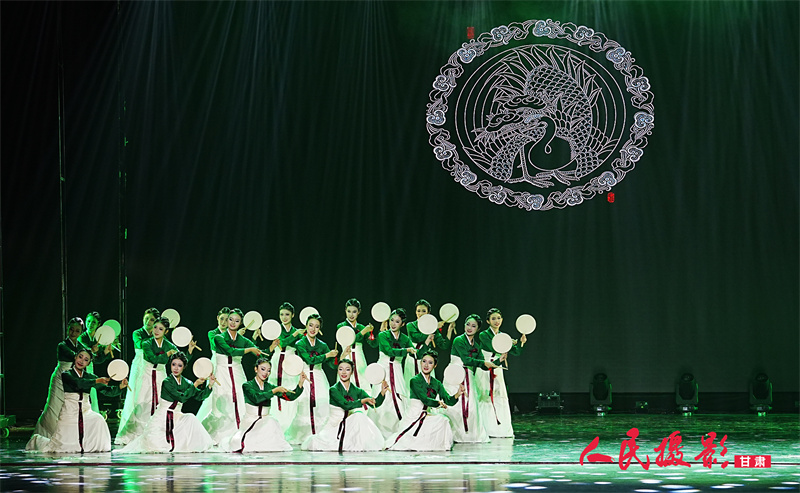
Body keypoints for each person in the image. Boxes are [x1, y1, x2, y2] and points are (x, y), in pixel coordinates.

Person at [26, 349, 127, 453]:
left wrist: (120, 387)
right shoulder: (66, 374)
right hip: (69, 412)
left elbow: (107, 391)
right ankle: (36, 440)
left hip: (85, 411)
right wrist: (96, 381)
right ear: (75, 357)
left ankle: (91, 447)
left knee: (99, 420)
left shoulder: (90, 377)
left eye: (86, 360)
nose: (81, 361)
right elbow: (78, 383)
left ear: (89, 363)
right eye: (80, 357)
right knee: (60, 447)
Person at [116, 352, 214, 453]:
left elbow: (200, 396)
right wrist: (195, 385)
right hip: (162, 417)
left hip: (176, 416)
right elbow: (182, 398)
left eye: (179, 365)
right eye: (173, 364)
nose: (176, 368)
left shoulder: (186, 382)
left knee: (191, 418)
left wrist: (210, 385)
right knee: (155, 445)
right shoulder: (167, 382)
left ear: (184, 367)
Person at [200, 308, 262, 445]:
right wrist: (249, 349)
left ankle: (242, 431)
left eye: (237, 321)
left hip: (237, 371)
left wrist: (269, 346)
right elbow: (230, 351)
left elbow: (259, 353)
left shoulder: (242, 339)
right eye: (230, 319)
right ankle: (220, 433)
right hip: (220, 370)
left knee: (240, 398)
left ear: (241, 323)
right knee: (222, 401)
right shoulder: (217, 336)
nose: (232, 322)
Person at [302, 359, 388, 452]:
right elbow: (345, 405)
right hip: (335, 424)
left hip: (349, 424)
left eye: (347, 369)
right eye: (340, 369)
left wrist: (382, 392)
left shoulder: (358, 391)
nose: (343, 372)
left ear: (352, 372)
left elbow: (375, 403)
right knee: (317, 443)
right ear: (338, 371)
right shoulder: (333, 390)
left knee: (359, 415)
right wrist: (362, 401)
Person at [225, 357, 306, 453]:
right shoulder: (247, 385)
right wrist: (274, 391)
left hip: (266, 420)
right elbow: (256, 398)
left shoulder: (269, 386)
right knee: (241, 443)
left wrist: (300, 383)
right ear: (256, 369)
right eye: (263, 369)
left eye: (268, 371)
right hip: (251, 420)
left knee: (271, 424)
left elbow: (290, 397)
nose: (265, 373)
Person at [386, 350, 463, 451]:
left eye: (430, 363)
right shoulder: (414, 380)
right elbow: (425, 400)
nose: (426, 365)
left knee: (444, 420)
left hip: (427, 414)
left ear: (435, 365)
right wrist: (438, 403)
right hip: (414, 415)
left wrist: (457, 394)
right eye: (424, 361)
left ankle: (441, 446)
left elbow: (448, 400)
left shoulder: (437, 383)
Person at [28, 317, 87, 441]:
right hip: (60, 378)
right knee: (54, 406)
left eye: (77, 331)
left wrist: (101, 352)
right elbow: (75, 356)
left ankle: (67, 436)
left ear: (81, 332)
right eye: (71, 329)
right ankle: (48, 435)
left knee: (69, 407)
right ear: (67, 329)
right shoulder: (62, 345)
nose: (73, 333)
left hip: (71, 380)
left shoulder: (81, 346)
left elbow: (89, 358)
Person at [443, 314, 499, 443]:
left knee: (472, 406)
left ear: (478, 329)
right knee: (454, 406)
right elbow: (466, 360)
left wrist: (498, 361)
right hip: (455, 375)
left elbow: (483, 366)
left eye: (473, 326)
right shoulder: (458, 340)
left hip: (468, 375)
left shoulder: (477, 346)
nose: (469, 328)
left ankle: (469, 435)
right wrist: (483, 363)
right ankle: (452, 435)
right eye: (468, 324)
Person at [284, 313, 337, 445]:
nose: (313, 329)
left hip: (319, 376)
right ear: (306, 326)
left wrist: (339, 357)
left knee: (322, 404)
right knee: (304, 405)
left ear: (320, 329)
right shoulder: (300, 343)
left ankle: (321, 435)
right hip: (305, 376)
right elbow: (309, 359)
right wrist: (327, 355)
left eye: (317, 326)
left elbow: (331, 364)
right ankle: (304, 435)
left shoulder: (323, 345)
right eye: (311, 325)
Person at [475, 308, 526, 438]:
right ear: (488, 321)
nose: (496, 321)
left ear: (502, 320)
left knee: (499, 396)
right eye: (493, 318)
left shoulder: (504, 337)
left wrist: (521, 342)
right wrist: (507, 343)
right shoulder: (484, 335)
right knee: (484, 396)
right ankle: (484, 429)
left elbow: (516, 352)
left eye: (498, 318)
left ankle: (499, 429)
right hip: (485, 367)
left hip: (498, 368)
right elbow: (493, 346)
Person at [115, 307, 160, 445]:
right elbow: (142, 345)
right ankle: (133, 431)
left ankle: (152, 428)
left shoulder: (158, 334)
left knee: (152, 395)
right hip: (140, 365)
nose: (148, 321)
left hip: (154, 366)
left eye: (152, 320)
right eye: (146, 318)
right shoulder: (137, 333)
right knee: (137, 396)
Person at [372, 308, 416, 436]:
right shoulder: (383, 335)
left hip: (396, 370)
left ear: (402, 324)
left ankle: (399, 430)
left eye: (397, 321)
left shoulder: (405, 339)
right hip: (383, 369)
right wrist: (406, 350)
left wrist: (425, 343)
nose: (393, 324)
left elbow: (416, 353)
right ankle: (379, 431)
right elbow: (389, 351)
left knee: (399, 396)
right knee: (382, 395)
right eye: (392, 320)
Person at [264, 302, 305, 431]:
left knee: (290, 388)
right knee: (274, 387)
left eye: (287, 314)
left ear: (292, 315)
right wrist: (295, 335)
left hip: (291, 361)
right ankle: (275, 421)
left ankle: (288, 422)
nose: (284, 317)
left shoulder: (297, 331)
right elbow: (282, 343)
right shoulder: (277, 330)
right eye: (281, 314)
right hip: (277, 360)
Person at [403, 299, 455, 382]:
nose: (420, 313)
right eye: (418, 311)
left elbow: (443, 345)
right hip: (413, 359)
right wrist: (434, 327)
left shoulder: (433, 327)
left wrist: (450, 330)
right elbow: (417, 337)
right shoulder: (410, 325)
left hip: (427, 359)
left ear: (428, 313)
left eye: (424, 311)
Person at [195, 306, 230, 423]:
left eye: (227, 320)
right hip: (216, 364)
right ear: (217, 318)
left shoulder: (232, 334)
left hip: (228, 365)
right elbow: (218, 345)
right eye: (222, 319)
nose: (224, 322)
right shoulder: (212, 333)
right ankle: (203, 422)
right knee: (213, 394)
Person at [77, 311, 114, 413]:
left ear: (98, 324)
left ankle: (92, 414)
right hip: (80, 369)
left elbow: (97, 360)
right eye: (88, 321)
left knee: (92, 393)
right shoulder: (81, 338)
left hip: (89, 368)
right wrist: (92, 350)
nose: (90, 324)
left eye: (93, 322)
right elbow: (84, 354)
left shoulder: (97, 338)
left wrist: (105, 352)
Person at [335, 298, 376, 388]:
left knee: (363, 384)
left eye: (354, 311)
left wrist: (382, 331)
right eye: (349, 311)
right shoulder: (341, 326)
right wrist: (363, 332)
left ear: (359, 312)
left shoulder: (361, 327)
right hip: (346, 356)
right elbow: (349, 340)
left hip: (360, 359)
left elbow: (373, 344)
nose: (351, 314)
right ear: (345, 310)